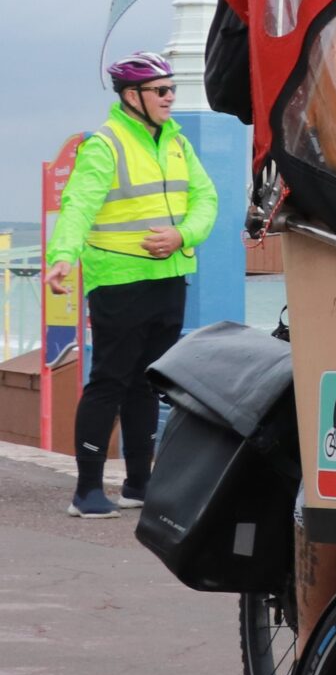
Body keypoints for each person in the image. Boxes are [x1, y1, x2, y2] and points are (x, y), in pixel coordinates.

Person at [43, 52, 218, 518]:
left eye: (172, 88)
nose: (170, 97)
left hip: (169, 277)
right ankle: (87, 491)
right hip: (119, 281)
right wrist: (62, 257)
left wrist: (183, 234)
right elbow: (78, 205)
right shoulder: (105, 144)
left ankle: (139, 484)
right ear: (131, 96)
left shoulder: (177, 142)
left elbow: (205, 197)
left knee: (148, 382)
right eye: (161, 90)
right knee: (109, 382)